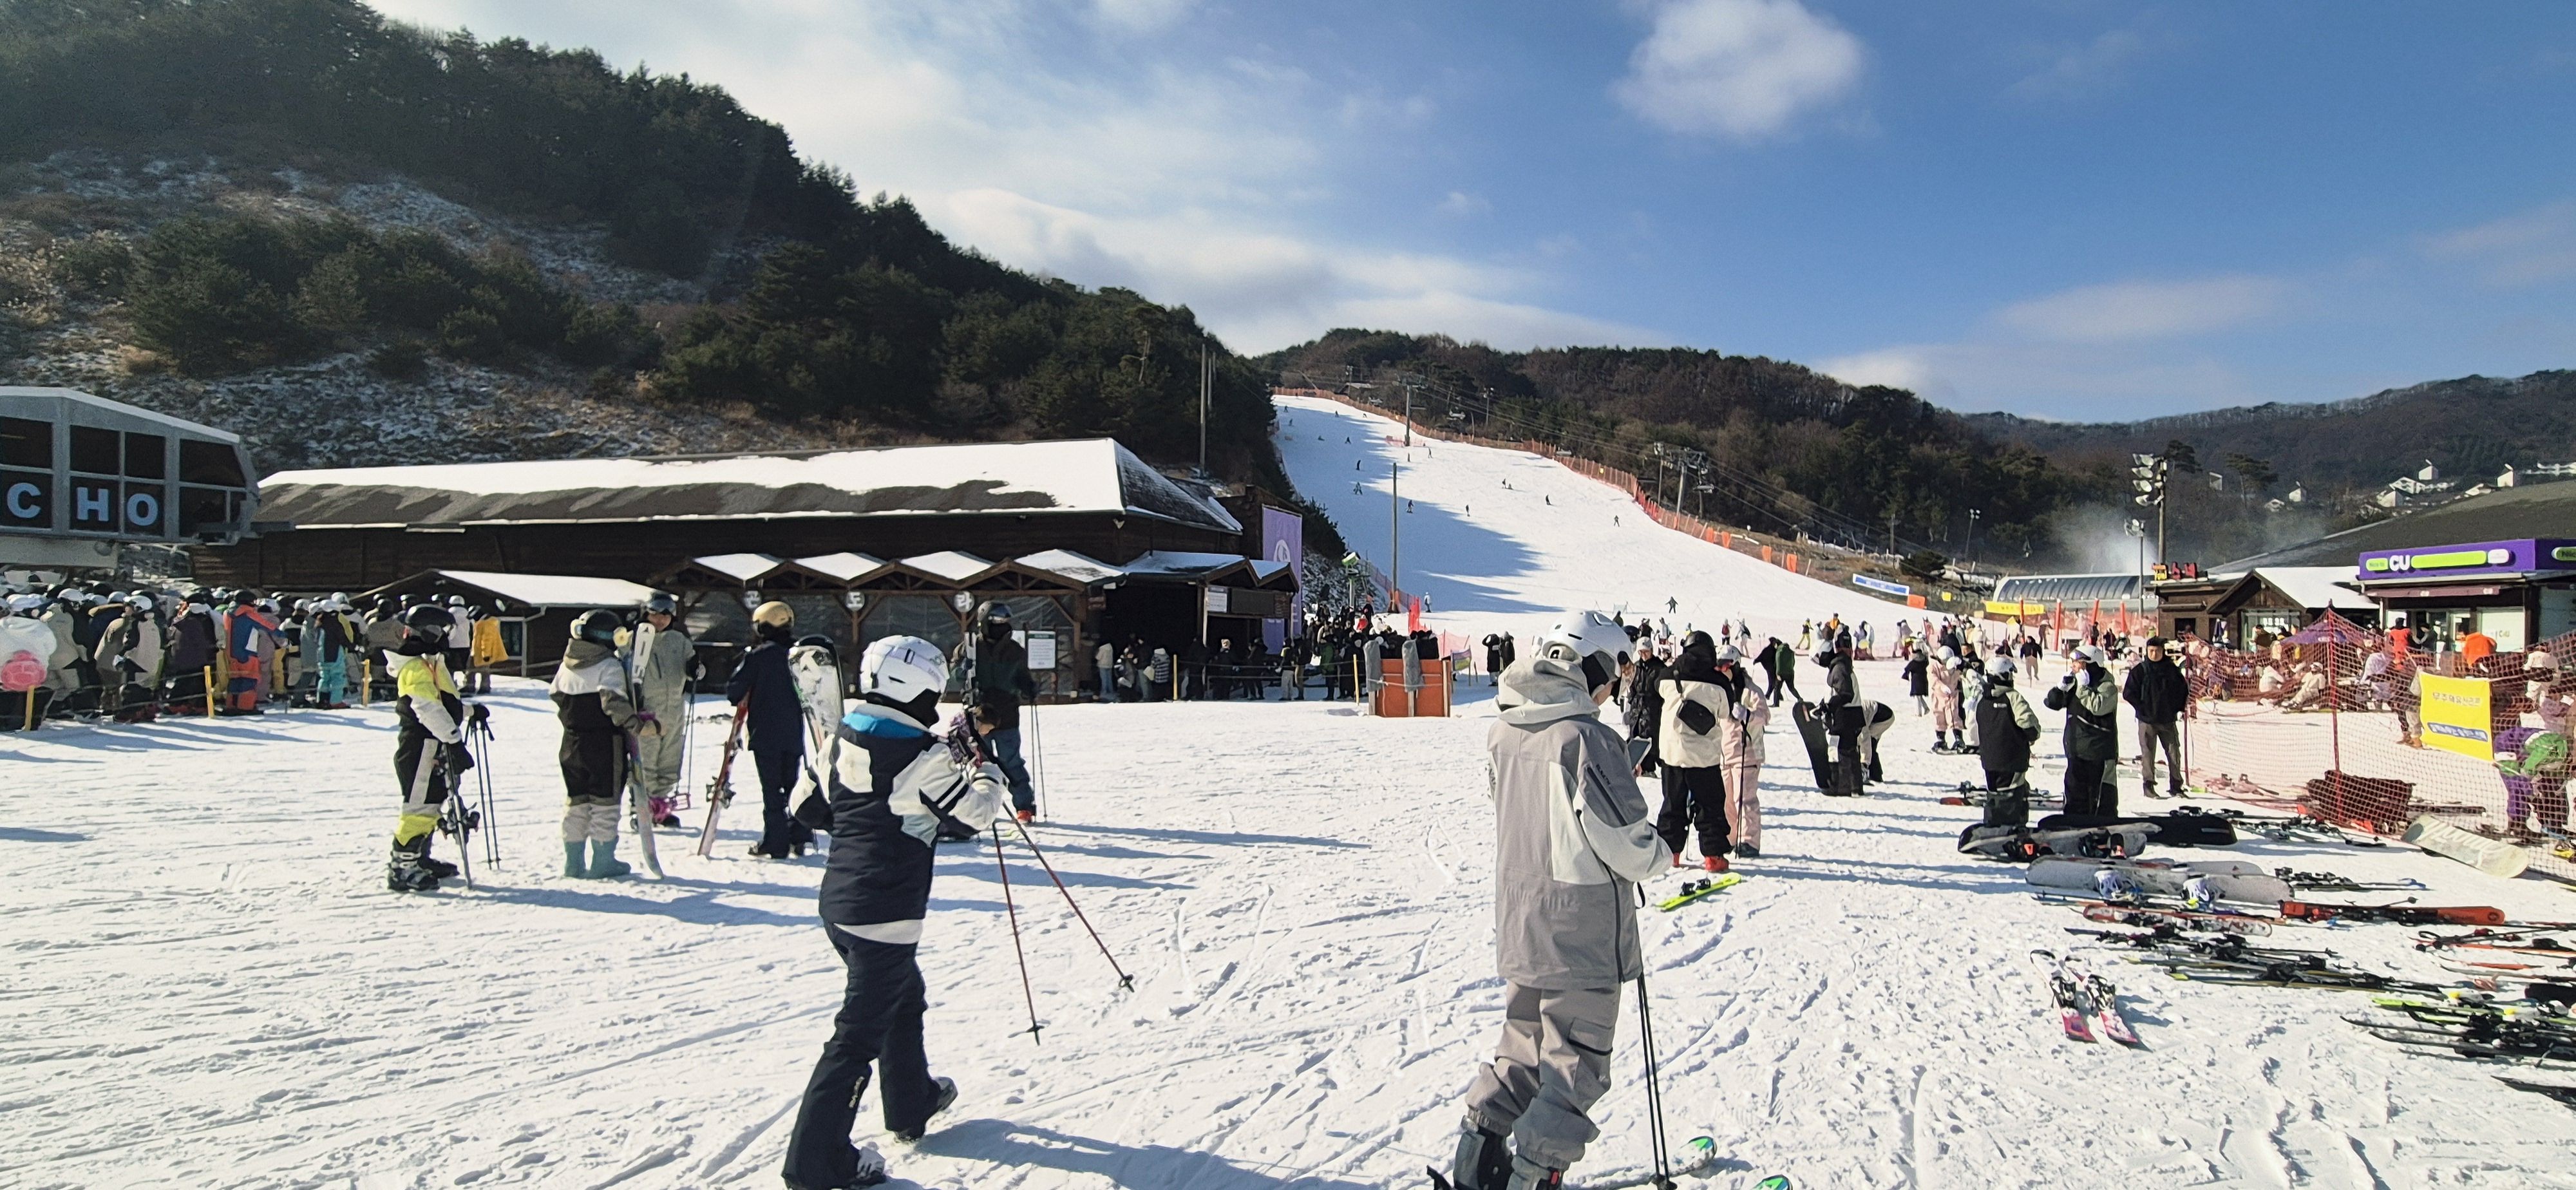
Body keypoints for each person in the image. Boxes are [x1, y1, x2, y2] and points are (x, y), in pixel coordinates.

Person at [1448, 610, 1671, 1190]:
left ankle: (1476, 1160)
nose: (1611, 690)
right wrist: (1661, 853)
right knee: (1574, 1062)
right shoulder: (1586, 738)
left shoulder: (1505, 729)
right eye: (1611, 675)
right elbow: (1624, 841)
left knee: (1522, 1046)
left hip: (1522, 918)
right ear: (1591, 666)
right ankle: (1533, 1176)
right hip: (1579, 931)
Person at [781, 635, 1007, 1190]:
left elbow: (804, 806)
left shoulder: (842, 735)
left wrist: (864, 820)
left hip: (841, 903)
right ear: (923, 690)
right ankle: (816, 1165)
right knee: (856, 1038)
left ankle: (911, 1102)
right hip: (886, 912)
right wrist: (988, 772)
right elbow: (973, 817)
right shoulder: (925, 756)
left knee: (904, 995)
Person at [386, 603, 477, 892]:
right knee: (420, 806)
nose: (447, 637)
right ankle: (402, 867)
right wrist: (454, 741)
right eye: (443, 630)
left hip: (434, 743)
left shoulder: (430, 662)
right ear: (430, 632)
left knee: (434, 800)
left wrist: (469, 711)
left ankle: (420, 858)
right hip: (421, 747)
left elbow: (442, 703)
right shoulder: (415, 667)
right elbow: (426, 709)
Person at [553, 610, 645, 878]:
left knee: (577, 802)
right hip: (604, 744)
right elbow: (612, 703)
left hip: (571, 743)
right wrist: (637, 725)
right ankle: (603, 861)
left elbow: (556, 695)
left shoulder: (566, 665)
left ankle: (573, 862)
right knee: (605, 802)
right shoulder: (608, 666)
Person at [728, 600, 812, 858]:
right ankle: (798, 835)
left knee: (772, 790)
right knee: (793, 785)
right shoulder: (801, 654)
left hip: (765, 733)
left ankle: (775, 842)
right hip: (793, 732)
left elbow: (734, 691)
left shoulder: (759, 656)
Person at [1654, 632, 1735, 871]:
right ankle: (1713, 857)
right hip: (1704, 757)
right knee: (1710, 807)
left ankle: (1671, 854)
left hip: (1673, 753)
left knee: (1672, 804)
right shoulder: (1719, 682)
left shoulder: (1668, 675)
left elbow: (1656, 687)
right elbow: (1726, 712)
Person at [955, 602, 1039, 822]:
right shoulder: (969, 648)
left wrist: (1029, 687)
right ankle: (974, 806)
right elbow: (954, 676)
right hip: (978, 715)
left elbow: (1021, 676)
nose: (1001, 627)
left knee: (1010, 761)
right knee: (978, 763)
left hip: (1006, 714)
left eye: (1004, 622)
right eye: (996, 622)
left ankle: (1024, 806)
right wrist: (962, 670)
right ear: (984, 623)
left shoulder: (1014, 651)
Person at [628, 592, 702, 829]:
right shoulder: (633, 639)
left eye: (665, 616)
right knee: (646, 759)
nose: (660, 620)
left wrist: (696, 669)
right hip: (647, 710)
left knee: (670, 760)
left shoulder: (679, 641)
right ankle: (641, 807)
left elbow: (694, 666)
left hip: (674, 710)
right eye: (655, 615)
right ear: (646, 614)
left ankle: (661, 807)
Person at [2045, 645, 2120, 817]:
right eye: (2073, 662)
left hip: (2099, 752)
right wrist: (2060, 689)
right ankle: (2074, 821)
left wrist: (2083, 688)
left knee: (2100, 797)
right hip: (2076, 750)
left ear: (2091, 665)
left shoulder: (2107, 687)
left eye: (2078, 663)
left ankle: (2102, 823)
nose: (2073, 666)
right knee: (2075, 795)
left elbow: (2098, 707)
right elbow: (2052, 703)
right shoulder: (2076, 684)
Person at [1973, 656, 2042, 828]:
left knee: (1995, 793)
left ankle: (1992, 826)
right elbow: (2028, 724)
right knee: (2012, 794)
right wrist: (2031, 736)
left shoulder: (1983, 700)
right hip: (2012, 759)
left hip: (1989, 760)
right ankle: (2011, 829)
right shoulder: (2012, 697)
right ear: (2004, 676)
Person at [1712, 645, 1768, 858]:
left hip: (1747, 753)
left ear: (1734, 666)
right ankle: (1730, 837)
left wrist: (1747, 715)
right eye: (1718, 667)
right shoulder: (1719, 689)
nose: (1721, 670)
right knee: (1726, 800)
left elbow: (1764, 716)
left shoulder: (1749, 690)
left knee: (1744, 800)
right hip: (1724, 754)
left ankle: (1749, 841)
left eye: (1725, 666)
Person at [2121, 637, 2188, 799]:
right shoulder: (2140, 670)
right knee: (2148, 755)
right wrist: (2142, 708)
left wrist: (2178, 708)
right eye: (2151, 651)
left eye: (2157, 651)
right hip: (2147, 721)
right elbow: (2129, 693)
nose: (2154, 654)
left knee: (2174, 753)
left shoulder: (2171, 670)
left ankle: (2176, 786)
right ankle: (2149, 785)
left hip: (2168, 720)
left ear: (2163, 651)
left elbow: (2182, 690)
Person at [1819, 639, 1864, 797]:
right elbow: (1835, 692)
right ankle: (1854, 787)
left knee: (1843, 751)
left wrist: (1829, 706)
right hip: (1851, 713)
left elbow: (1845, 693)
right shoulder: (1841, 665)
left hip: (1846, 715)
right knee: (1849, 750)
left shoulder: (1839, 668)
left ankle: (1845, 788)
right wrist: (1823, 704)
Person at [1927, 647, 1965, 751]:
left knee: (1953, 715)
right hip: (1938, 696)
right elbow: (1933, 678)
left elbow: (1960, 674)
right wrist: (1941, 686)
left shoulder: (1954, 665)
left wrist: (1961, 667)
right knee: (1939, 716)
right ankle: (1941, 739)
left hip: (1952, 695)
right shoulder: (1933, 667)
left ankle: (1958, 738)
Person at [1902, 648, 1929, 715]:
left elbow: (1907, 669)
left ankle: (1918, 713)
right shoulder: (1925, 662)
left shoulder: (1914, 663)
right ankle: (1926, 708)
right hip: (1924, 680)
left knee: (1917, 697)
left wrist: (1906, 676)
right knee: (1919, 696)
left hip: (1916, 681)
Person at [1094, 638, 1116, 702]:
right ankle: (1111, 691)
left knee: (1104, 679)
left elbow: (1098, 657)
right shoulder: (1111, 647)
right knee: (1109, 679)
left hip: (1102, 665)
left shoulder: (1102, 648)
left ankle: (1104, 691)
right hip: (1109, 665)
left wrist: (1096, 654)